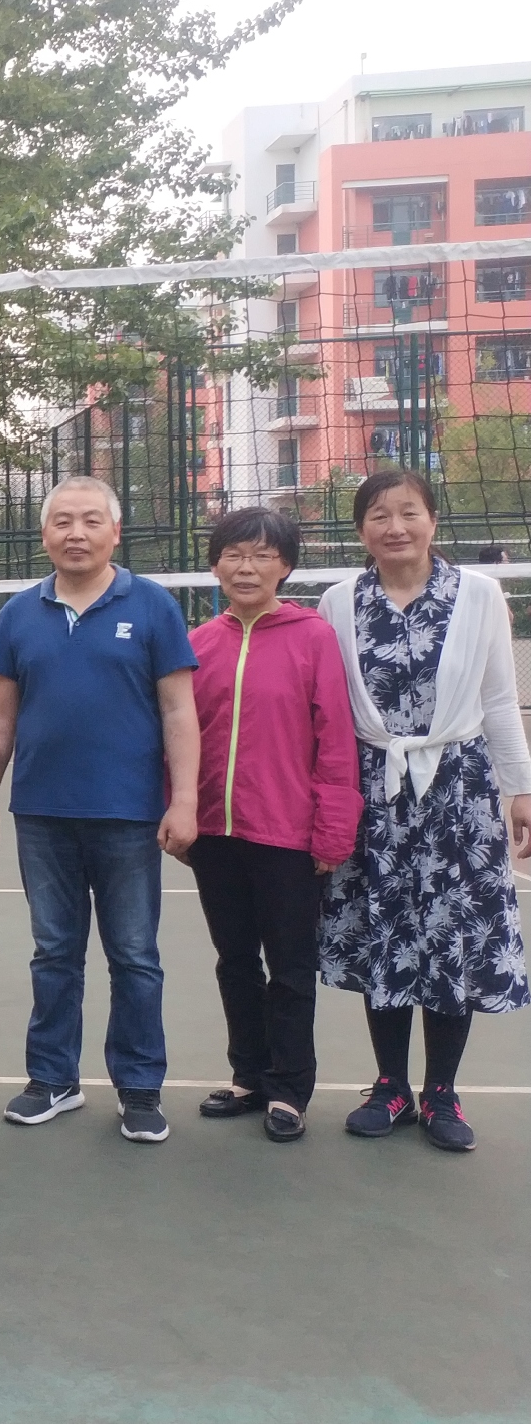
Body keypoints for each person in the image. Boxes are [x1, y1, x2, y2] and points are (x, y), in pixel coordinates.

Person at [0, 475, 199, 1143]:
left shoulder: (153, 606)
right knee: (54, 953)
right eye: (63, 521)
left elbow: (178, 711)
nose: (76, 533)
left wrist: (184, 799)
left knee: (134, 956)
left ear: (115, 532)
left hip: (129, 816)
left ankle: (139, 1087)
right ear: (45, 534)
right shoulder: (20, 614)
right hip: (42, 815)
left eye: (91, 521)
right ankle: (52, 1080)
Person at [319, 470, 531, 1153]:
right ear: (361, 531)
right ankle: (389, 1085)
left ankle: (441, 1090)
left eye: (409, 512)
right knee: (382, 932)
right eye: (379, 516)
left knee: (450, 937)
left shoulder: (480, 595)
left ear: (433, 521)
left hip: (459, 794)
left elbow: (498, 702)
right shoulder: (338, 602)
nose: (395, 527)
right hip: (374, 793)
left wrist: (521, 789)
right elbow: (329, 711)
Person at [185, 508, 359, 1142]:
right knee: (234, 961)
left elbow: (335, 740)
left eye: (262, 555)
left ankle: (288, 1088)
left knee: (289, 967)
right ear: (216, 565)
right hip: (214, 835)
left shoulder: (313, 637)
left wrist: (334, 829)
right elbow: (177, 737)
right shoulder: (198, 643)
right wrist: (180, 812)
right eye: (234, 554)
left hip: (288, 835)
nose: (246, 567)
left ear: (285, 565)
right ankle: (249, 1075)